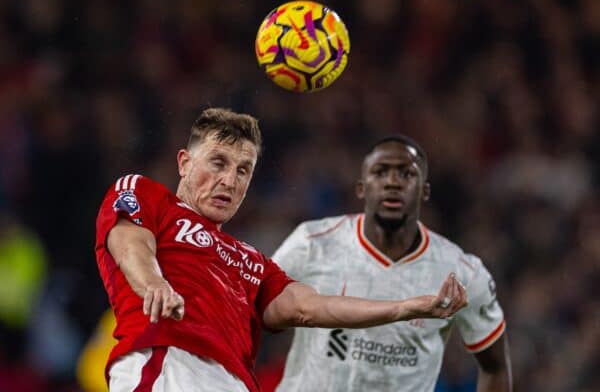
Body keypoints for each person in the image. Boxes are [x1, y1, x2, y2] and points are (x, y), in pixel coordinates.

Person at [95, 108, 467, 392]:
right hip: (168, 365)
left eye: (243, 170)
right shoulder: (147, 194)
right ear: (184, 162)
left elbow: (311, 307)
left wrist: (404, 308)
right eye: (218, 163)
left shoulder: (254, 263)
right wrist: (154, 283)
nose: (229, 180)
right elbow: (130, 243)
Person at [272, 135, 512, 392]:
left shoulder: (461, 272)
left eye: (407, 174)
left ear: (425, 191)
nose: (393, 182)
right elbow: (248, 313)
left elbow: (495, 367)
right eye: (381, 172)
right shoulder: (312, 244)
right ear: (361, 187)